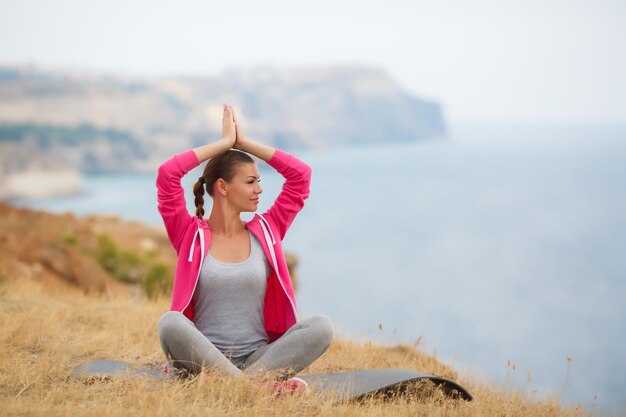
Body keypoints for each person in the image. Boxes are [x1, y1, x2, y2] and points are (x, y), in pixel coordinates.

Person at [156, 104, 334, 395]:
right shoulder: (190, 234)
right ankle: (257, 389)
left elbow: (301, 176)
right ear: (223, 188)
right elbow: (167, 175)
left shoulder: (267, 230)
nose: (259, 190)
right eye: (251, 182)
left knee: (322, 327)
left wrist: (245, 144)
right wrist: (222, 146)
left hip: (259, 358)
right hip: (201, 359)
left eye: (259, 182)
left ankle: (232, 386)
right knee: (170, 323)